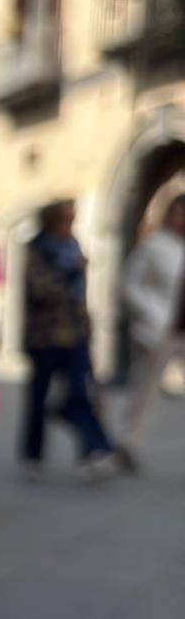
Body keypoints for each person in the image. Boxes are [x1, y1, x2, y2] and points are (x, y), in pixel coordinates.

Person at [21, 200, 119, 479]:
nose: (69, 225)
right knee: (38, 397)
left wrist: (88, 328)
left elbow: (79, 298)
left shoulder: (72, 246)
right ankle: (33, 455)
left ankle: (94, 451)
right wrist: (72, 270)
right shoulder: (38, 249)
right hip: (44, 336)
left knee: (80, 393)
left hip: (74, 335)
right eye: (66, 219)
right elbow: (42, 289)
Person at [119, 192, 185, 459]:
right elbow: (129, 285)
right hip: (161, 328)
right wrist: (151, 315)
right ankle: (126, 442)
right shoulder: (153, 246)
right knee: (144, 390)